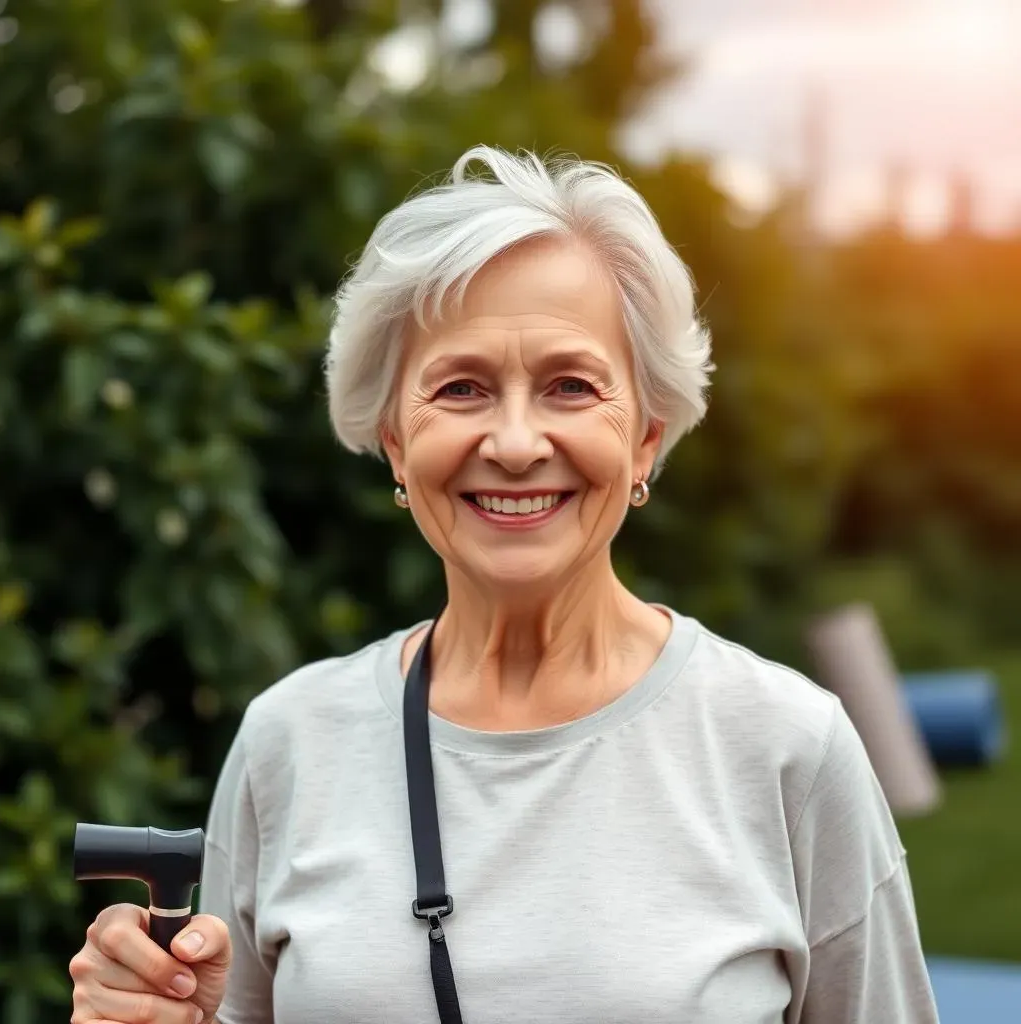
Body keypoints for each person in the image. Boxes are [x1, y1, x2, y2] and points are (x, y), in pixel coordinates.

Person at [69, 145, 941, 1024]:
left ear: (643, 437)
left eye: (570, 385)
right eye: (461, 388)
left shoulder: (787, 747)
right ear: (398, 445)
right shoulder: (288, 746)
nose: (517, 443)